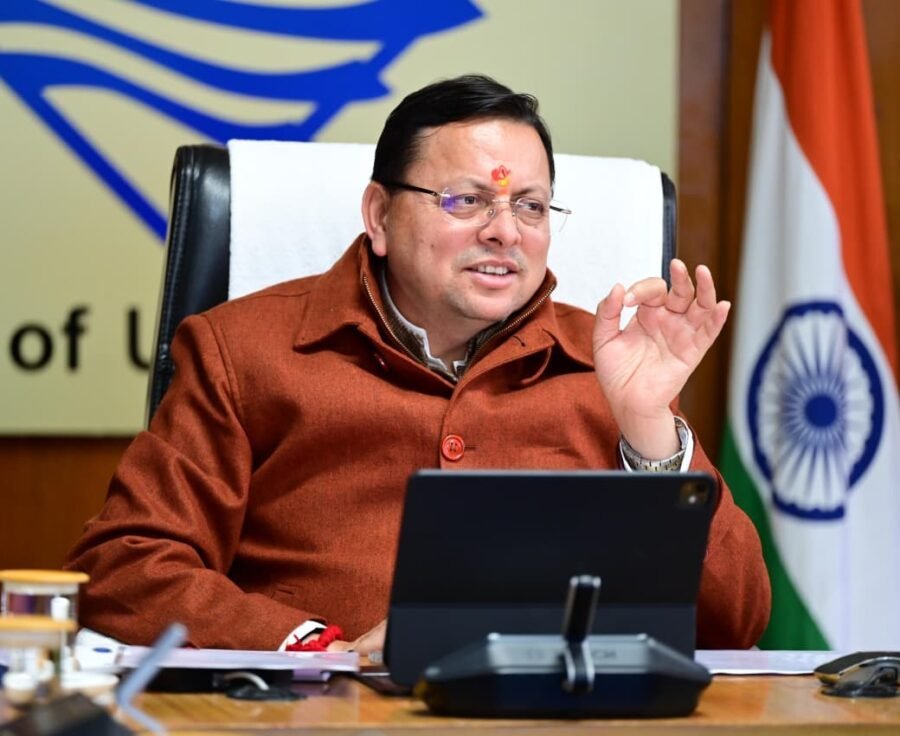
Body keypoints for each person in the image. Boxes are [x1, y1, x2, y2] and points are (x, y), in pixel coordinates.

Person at [64, 74, 770, 654]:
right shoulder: (243, 349)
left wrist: (649, 430)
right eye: (468, 200)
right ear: (379, 216)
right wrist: (318, 649)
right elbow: (123, 570)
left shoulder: (609, 364)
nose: (505, 231)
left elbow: (734, 624)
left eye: (530, 206)